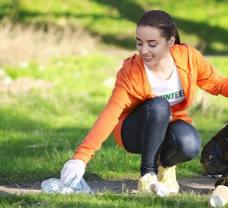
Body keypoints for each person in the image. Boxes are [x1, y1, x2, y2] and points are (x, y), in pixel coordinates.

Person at [60, 10, 228, 196]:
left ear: (170, 42)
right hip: (133, 131)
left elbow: (218, 83)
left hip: (168, 127)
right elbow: (111, 113)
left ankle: (166, 166)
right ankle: (148, 175)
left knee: (189, 144)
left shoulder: (188, 58)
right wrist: (80, 159)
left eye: (152, 44)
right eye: (139, 43)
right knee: (159, 106)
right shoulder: (132, 72)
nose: (144, 50)